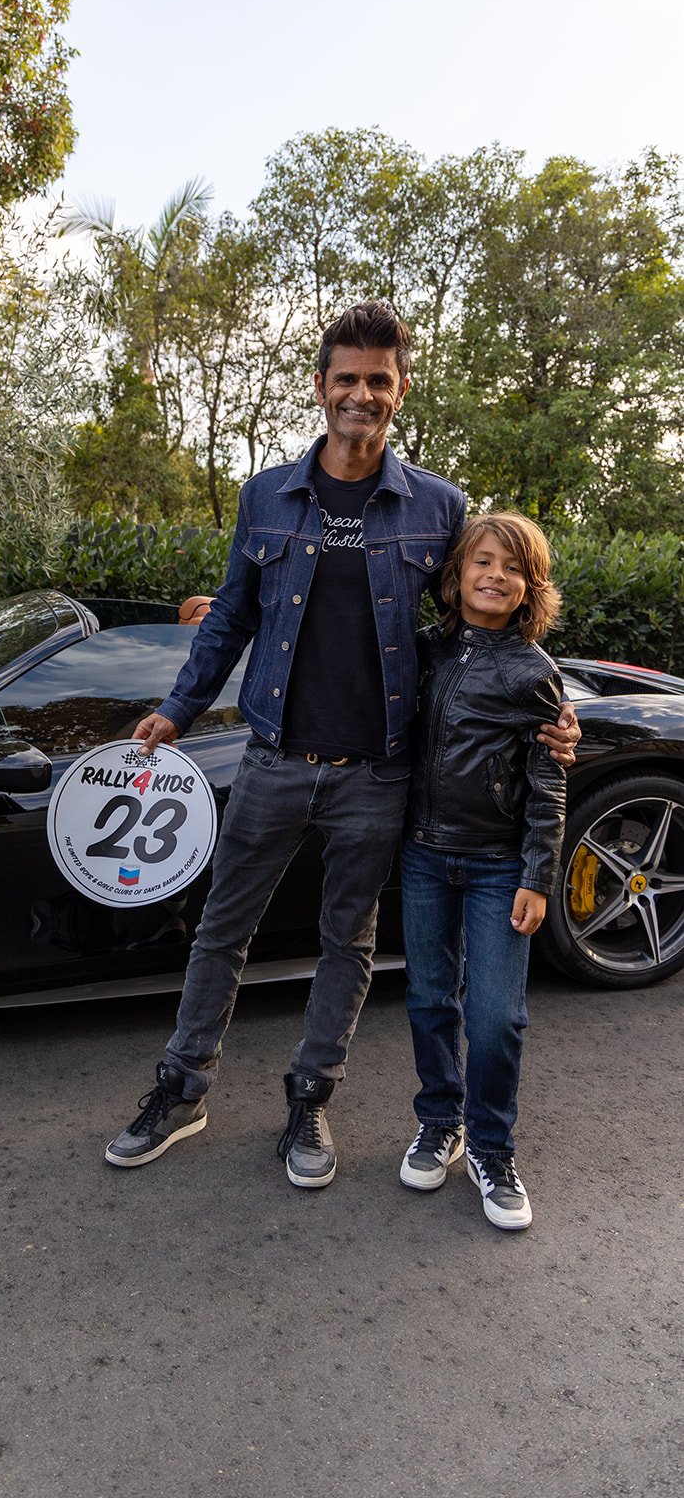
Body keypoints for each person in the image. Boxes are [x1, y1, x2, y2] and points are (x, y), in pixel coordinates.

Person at [104, 300, 578, 1189]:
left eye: (379, 381)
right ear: (321, 387)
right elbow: (233, 617)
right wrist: (176, 707)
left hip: (378, 775)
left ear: (400, 392)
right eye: (347, 379)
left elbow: (474, 624)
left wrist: (551, 711)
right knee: (222, 930)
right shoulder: (266, 495)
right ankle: (183, 1086)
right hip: (276, 758)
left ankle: (309, 1096)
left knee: (347, 944)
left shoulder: (438, 507)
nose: (361, 395)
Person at [397, 513, 566, 1231]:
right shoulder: (421, 651)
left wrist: (538, 873)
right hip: (423, 858)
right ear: (456, 573)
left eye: (513, 568)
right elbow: (328, 644)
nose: (496, 576)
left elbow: (548, 781)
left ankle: (493, 1147)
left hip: (501, 866)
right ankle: (442, 1121)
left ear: (530, 587)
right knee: (431, 1000)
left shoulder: (533, 672)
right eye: (483, 562)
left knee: (497, 1017)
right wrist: (225, 616)